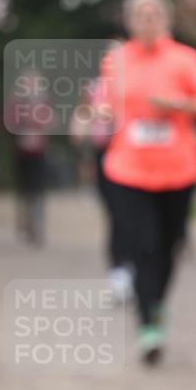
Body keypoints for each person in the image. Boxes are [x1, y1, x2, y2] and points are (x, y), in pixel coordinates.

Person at [98, 0, 196, 363]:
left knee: (169, 246)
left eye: (154, 13)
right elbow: (105, 104)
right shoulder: (116, 61)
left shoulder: (187, 60)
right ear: (129, 21)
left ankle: (155, 305)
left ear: (166, 20)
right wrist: (96, 114)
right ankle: (148, 327)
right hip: (128, 169)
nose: (147, 20)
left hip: (179, 170)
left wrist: (182, 105)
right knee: (143, 245)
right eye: (140, 14)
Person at [70, 41, 133, 303]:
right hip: (104, 155)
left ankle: (133, 267)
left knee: (133, 214)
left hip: (132, 155)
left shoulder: (134, 84)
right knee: (116, 215)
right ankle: (120, 272)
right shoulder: (95, 88)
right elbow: (79, 126)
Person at [4, 68, 52, 246]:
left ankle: (37, 227)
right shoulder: (15, 103)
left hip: (39, 152)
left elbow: (49, 122)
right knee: (25, 190)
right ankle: (26, 225)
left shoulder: (44, 103)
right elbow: (7, 123)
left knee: (38, 190)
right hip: (21, 152)